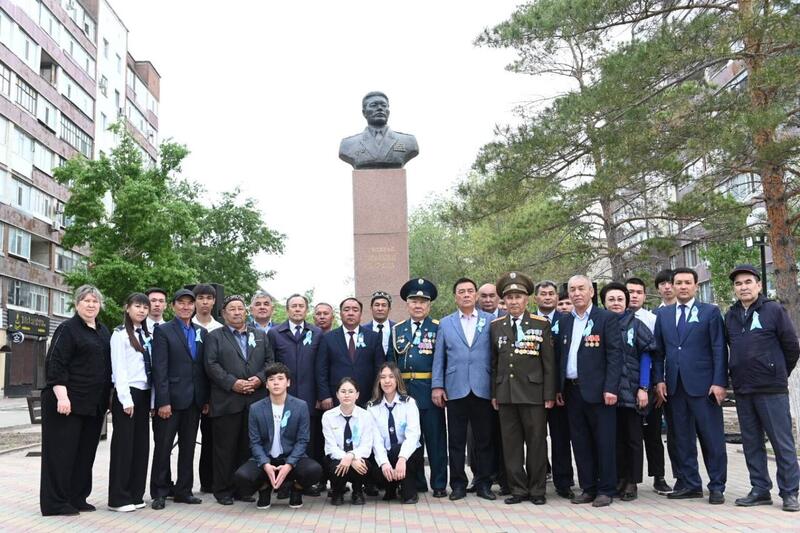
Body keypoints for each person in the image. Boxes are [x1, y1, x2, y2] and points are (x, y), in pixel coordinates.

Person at [725, 265, 800, 512]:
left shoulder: (773, 310)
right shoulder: (731, 314)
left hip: (771, 389)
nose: (743, 287)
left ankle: (789, 492)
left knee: (781, 442)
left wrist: (777, 371)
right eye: (738, 284)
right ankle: (760, 489)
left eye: (748, 282)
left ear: (758, 285)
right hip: (744, 389)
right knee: (751, 442)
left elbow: (791, 347)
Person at [653, 267, 728, 505]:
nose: (683, 286)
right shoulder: (663, 316)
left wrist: (719, 382)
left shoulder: (710, 312)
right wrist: (659, 380)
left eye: (687, 282)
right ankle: (690, 483)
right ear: (672, 287)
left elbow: (719, 349)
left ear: (696, 286)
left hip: (704, 387)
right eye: (678, 283)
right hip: (675, 387)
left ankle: (717, 486)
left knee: (711, 438)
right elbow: (658, 353)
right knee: (681, 438)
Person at [40, 285, 112, 516]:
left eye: (95, 301)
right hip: (67, 404)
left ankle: (77, 497)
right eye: (86, 300)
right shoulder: (67, 328)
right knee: (61, 454)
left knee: (84, 454)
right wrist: (62, 396)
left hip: (93, 405)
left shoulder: (103, 331)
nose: (91, 305)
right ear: (77, 303)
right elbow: (55, 364)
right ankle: (55, 503)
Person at [553, 275, 623, 507]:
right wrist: (559, 387)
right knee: (580, 442)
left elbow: (615, 356)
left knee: (604, 441)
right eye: (572, 289)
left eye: (581, 288)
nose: (576, 293)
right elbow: (561, 357)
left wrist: (611, 387)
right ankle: (588, 487)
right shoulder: (564, 320)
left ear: (592, 292)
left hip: (600, 392)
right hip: (572, 392)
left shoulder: (606, 318)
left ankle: (606, 489)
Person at [491, 272, 555, 505]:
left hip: (533, 394)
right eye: (509, 298)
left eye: (518, 297)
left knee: (537, 443)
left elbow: (549, 363)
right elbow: (494, 363)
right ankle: (518, 489)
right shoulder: (496, 326)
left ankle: (537, 490)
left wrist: (549, 394)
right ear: (504, 302)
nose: (514, 302)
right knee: (511, 445)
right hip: (506, 394)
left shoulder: (540, 324)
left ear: (526, 300)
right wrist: (494, 393)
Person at [204, 295, 274, 505]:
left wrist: (260, 379)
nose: (236, 312)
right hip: (227, 400)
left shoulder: (260, 335)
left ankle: (243, 489)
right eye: (231, 309)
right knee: (225, 449)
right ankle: (223, 490)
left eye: (240, 309)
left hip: (255, 400)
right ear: (224, 314)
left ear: (246, 312)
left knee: (248, 447)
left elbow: (270, 361)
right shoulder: (215, 336)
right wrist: (233, 383)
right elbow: (211, 365)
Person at [432, 277, 496, 501]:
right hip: (455, 388)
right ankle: (458, 484)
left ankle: (484, 483)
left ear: (476, 295)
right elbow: (439, 357)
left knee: (484, 440)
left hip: (483, 387)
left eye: (470, 291)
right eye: (462, 291)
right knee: (456, 441)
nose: (467, 294)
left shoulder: (490, 320)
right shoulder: (446, 323)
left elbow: (496, 356)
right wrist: (437, 386)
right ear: (455, 297)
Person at [233, 363, 323, 510]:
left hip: (290, 458)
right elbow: (254, 442)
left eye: (280, 379)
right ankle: (264, 488)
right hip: (266, 459)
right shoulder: (256, 408)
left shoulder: (300, 406)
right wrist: (265, 464)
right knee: (241, 476)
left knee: (314, 470)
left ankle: (296, 488)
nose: (276, 382)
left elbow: (303, 440)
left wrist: (289, 465)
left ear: (288, 382)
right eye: (271, 379)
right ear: (266, 384)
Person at [150, 289, 209, 510]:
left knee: (188, 448)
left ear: (194, 307)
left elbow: (202, 368)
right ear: (173, 306)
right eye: (181, 303)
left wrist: (205, 399)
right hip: (171, 402)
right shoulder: (163, 331)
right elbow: (160, 368)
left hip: (194, 401)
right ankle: (160, 491)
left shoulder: (201, 332)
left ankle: (184, 490)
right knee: (163, 447)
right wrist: (163, 401)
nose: (185, 307)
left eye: (189, 303)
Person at [389, 278, 448, 497]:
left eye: (423, 301)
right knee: (412, 440)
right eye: (414, 300)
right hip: (405, 393)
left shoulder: (438, 327)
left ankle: (439, 483)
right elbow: (391, 362)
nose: (418, 305)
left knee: (435, 439)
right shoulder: (398, 330)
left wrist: (439, 387)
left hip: (430, 391)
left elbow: (443, 360)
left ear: (429, 305)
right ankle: (417, 481)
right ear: (407, 303)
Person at [600, 282, 656, 502]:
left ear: (626, 301)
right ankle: (617, 478)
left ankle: (631, 481)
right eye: (611, 299)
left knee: (633, 438)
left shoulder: (636, 324)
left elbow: (646, 356)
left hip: (632, 390)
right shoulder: (599, 323)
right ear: (604, 302)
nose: (615, 303)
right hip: (607, 391)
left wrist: (643, 388)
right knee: (613, 439)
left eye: (619, 299)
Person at [268, 294, 325, 495]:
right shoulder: (275, 333)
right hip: (283, 398)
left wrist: (321, 395)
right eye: (294, 306)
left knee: (307, 440)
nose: (298, 309)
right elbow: (271, 366)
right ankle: (283, 483)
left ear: (306, 309)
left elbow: (321, 367)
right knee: (283, 437)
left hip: (309, 397)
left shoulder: (317, 333)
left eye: (301, 306)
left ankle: (304, 483)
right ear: (288, 309)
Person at [626, 277, 673, 495]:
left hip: (651, 385)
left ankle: (659, 477)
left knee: (653, 435)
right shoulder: (616, 318)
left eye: (638, 292)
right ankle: (630, 478)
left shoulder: (653, 319)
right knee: (630, 435)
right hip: (625, 388)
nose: (634, 295)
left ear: (645, 295)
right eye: (630, 292)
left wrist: (657, 382)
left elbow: (658, 354)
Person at [108, 293, 153, 512]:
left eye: (145, 307)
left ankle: (135, 494)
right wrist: (125, 399)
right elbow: (119, 369)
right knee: (124, 447)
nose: (142, 310)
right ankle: (118, 498)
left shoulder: (147, 334)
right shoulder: (119, 335)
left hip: (144, 395)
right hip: (127, 395)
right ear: (127, 308)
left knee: (141, 447)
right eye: (137, 306)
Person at [534, 280, 575, 499]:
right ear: (536, 298)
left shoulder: (568, 321)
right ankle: (538, 479)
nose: (548, 297)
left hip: (559, 391)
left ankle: (564, 481)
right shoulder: (526, 321)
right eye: (543, 294)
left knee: (560, 437)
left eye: (551, 293)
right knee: (535, 438)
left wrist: (559, 388)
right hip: (532, 390)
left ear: (557, 298)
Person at [367, 363, 424, 504]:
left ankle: (408, 490)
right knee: (377, 467)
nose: (387, 381)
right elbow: (376, 440)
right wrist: (384, 463)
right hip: (385, 455)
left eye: (391, 377)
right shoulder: (372, 408)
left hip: (407, 457)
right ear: (378, 382)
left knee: (408, 497)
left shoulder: (409, 403)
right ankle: (390, 487)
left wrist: (402, 458)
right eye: (383, 377)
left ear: (397, 380)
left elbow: (413, 435)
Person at [317, 298, 385, 409]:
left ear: (361, 314)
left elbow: (379, 368)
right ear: (340, 313)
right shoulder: (327, 338)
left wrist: (378, 394)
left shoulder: (373, 337)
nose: (350, 313)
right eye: (346, 309)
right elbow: (321, 369)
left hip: (367, 397)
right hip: (337, 397)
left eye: (355, 310)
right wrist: (325, 395)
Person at [322, 378, 377, 505]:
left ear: (357, 395)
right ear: (337, 394)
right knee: (335, 464)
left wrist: (351, 456)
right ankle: (337, 491)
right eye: (343, 391)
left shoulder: (366, 416)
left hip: (358, 458)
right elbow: (331, 447)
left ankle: (357, 491)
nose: (347, 395)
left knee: (364, 465)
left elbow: (366, 446)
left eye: (351, 391)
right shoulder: (328, 416)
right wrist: (347, 459)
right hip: (338, 459)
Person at [192, 284, 223, 493]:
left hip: (215, 394)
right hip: (189, 392)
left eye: (208, 298)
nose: (204, 301)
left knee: (211, 438)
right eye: (200, 297)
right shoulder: (185, 325)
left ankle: (209, 482)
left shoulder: (220, 329)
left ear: (214, 301)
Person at [338, 91, 419, 169]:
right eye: (373, 105)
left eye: (384, 105)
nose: (380, 108)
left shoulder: (408, 141)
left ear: (388, 111)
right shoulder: (348, 144)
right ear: (364, 112)